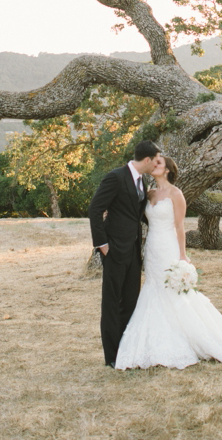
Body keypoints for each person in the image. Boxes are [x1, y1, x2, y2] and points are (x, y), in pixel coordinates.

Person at [114, 154, 222, 370]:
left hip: (168, 247)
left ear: (167, 170)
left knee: (172, 292)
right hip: (152, 249)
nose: (154, 165)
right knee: (153, 289)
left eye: (158, 164)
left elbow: (179, 227)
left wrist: (182, 256)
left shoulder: (176, 194)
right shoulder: (149, 194)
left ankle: (196, 338)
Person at [88, 140, 161, 367]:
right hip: (114, 250)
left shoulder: (143, 181)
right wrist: (102, 244)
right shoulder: (116, 177)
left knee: (130, 302)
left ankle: (126, 351)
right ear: (147, 160)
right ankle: (112, 357)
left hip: (133, 250)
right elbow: (95, 208)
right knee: (111, 303)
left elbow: (135, 213)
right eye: (156, 160)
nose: (157, 164)